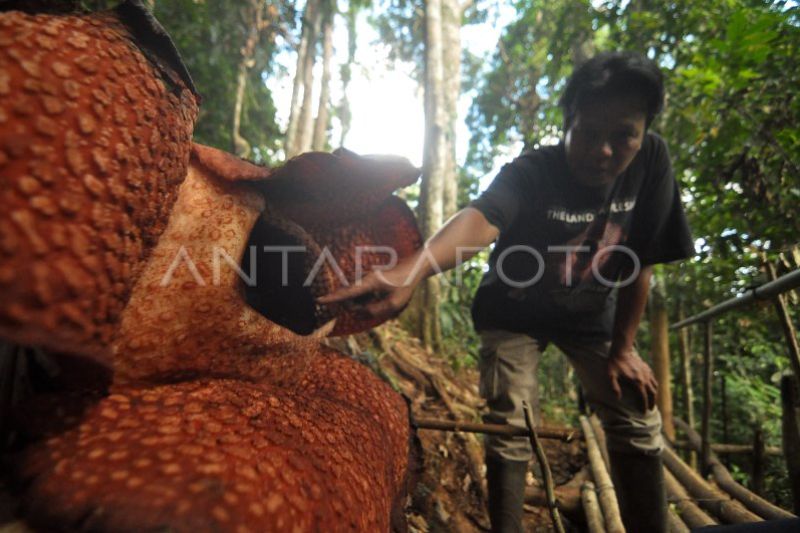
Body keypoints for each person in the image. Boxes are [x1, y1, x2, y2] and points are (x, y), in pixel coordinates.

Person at [319, 51, 694, 532]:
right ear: (567, 124)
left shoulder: (652, 164)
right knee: (510, 420)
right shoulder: (531, 172)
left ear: (643, 135)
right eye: (588, 133)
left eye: (623, 135)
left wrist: (624, 348)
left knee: (638, 417)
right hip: (513, 311)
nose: (603, 150)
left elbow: (642, 259)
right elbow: (481, 220)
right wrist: (412, 270)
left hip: (591, 314)